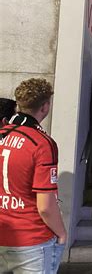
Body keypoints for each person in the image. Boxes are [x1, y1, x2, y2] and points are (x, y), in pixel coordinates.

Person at [0, 78, 67, 274]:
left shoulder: (2, 133)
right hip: (31, 241)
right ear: (45, 106)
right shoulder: (42, 143)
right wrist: (62, 233)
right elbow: (45, 206)